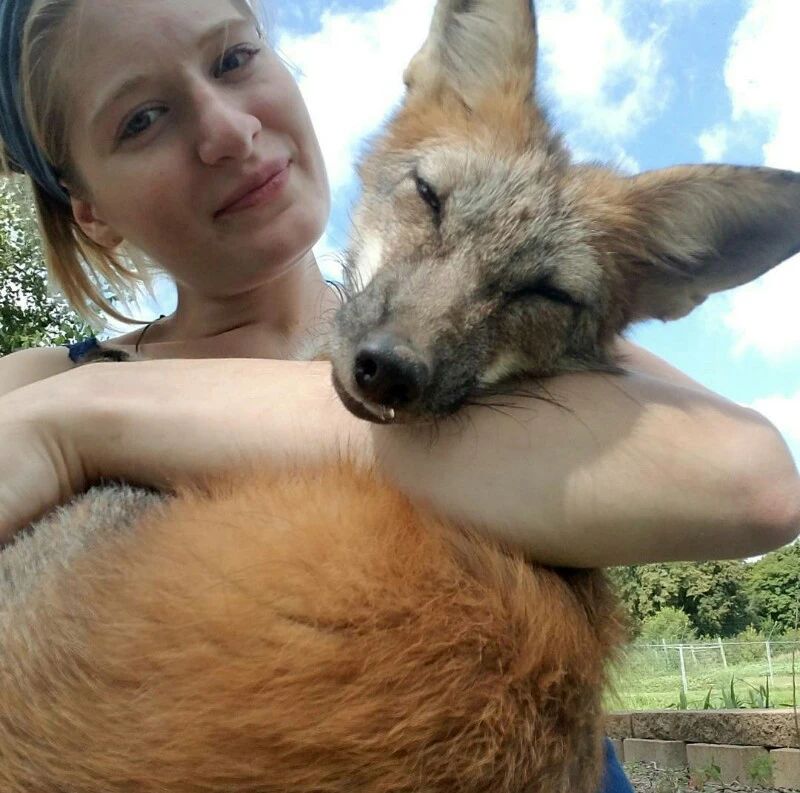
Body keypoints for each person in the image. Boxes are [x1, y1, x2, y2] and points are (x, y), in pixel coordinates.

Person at [0, 1, 798, 791]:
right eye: (141, 118)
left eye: (234, 59)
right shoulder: (31, 381)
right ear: (92, 212)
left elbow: (759, 479)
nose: (228, 130)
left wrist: (83, 419)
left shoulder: (61, 402)